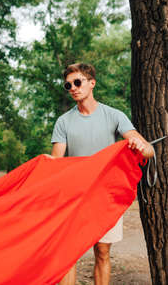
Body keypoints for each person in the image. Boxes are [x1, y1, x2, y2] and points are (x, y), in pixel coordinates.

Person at [49, 63, 154, 285]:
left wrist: (138, 145)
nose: (73, 88)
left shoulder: (114, 115)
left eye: (78, 82)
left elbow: (149, 150)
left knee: (102, 253)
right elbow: (57, 163)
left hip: (105, 197)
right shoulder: (63, 122)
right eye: (69, 85)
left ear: (92, 83)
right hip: (74, 197)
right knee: (68, 255)